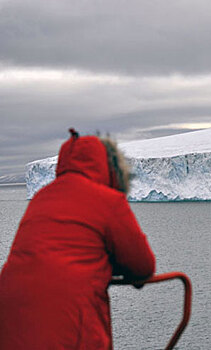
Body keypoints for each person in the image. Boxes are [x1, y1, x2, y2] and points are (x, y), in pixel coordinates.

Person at [0, 129, 155, 349]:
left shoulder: (41, 198)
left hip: (9, 322)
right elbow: (143, 266)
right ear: (108, 166)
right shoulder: (107, 200)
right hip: (68, 328)